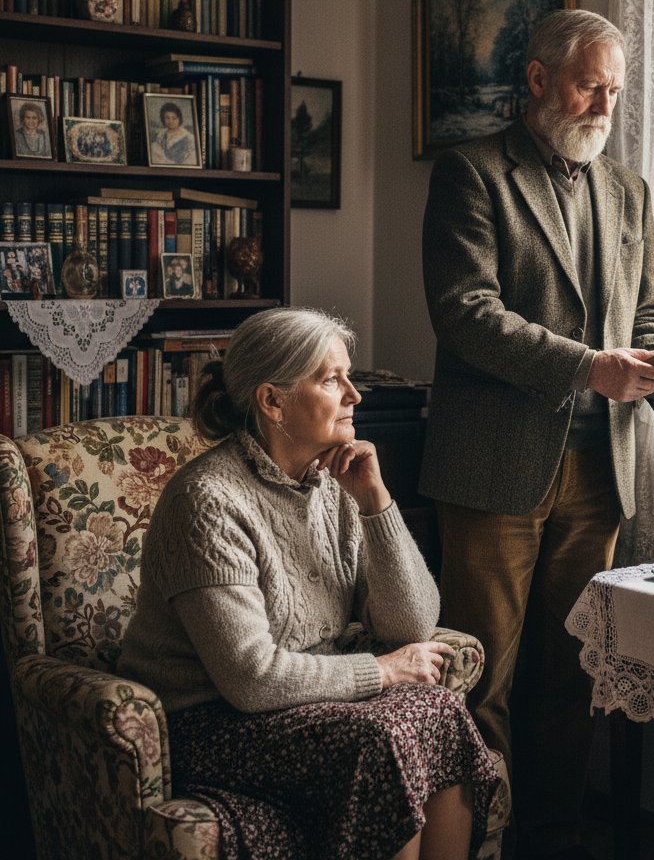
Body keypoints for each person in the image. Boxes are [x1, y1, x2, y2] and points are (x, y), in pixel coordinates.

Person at [419, 9, 654, 860]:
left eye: (615, 91)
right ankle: (477, 843)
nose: (603, 106)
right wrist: (590, 368)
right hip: (496, 467)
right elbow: (464, 315)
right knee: (484, 680)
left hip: (603, 465)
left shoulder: (628, 190)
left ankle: (551, 838)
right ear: (539, 79)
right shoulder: (470, 173)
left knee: (572, 673)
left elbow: (645, 314)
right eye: (591, 84)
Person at [117, 307, 500, 860]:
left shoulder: (333, 483)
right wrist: (383, 670)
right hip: (208, 719)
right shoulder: (207, 502)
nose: (355, 395)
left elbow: (411, 623)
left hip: (303, 699)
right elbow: (251, 679)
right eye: (330, 379)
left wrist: (375, 502)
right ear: (271, 402)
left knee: (438, 709)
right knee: (381, 738)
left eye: (349, 376)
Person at [149, 101, 199, 165]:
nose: (170, 121)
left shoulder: (189, 137)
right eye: (167, 118)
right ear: (163, 119)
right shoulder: (162, 134)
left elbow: (192, 160)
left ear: (179, 119)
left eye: (174, 118)